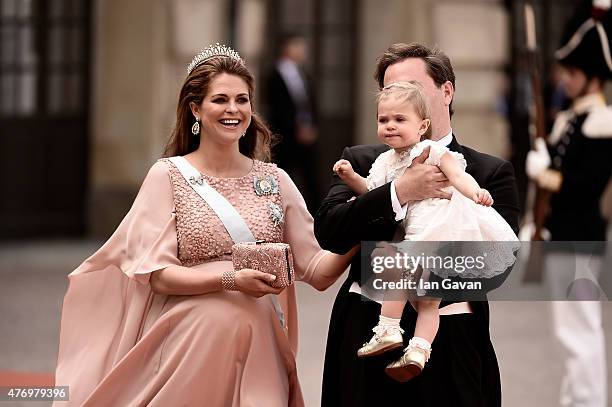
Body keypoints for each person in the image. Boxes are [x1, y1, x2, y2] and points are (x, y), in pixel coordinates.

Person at [53, 43, 356, 407]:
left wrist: (364, 226)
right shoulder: (167, 176)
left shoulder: (276, 181)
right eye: (220, 100)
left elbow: (318, 272)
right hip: (190, 348)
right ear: (195, 108)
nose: (233, 110)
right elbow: (159, 274)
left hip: (260, 347)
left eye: (242, 100)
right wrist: (229, 280)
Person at [315, 42, 520, 406]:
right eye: (390, 91)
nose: (400, 97)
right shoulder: (362, 160)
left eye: (412, 86)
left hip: (450, 335)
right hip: (366, 325)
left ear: (446, 91)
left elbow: (496, 267)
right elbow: (330, 230)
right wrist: (399, 192)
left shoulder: (490, 171)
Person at [526, 1, 612, 405]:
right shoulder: (570, 119)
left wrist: (544, 174)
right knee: (569, 333)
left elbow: (587, 184)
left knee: (581, 331)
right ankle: (576, 399)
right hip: (563, 236)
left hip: (580, 239)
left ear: (591, 76)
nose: (565, 78)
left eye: (572, 72)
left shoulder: (601, 121)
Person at [265, 32, 319, 211]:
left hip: (305, 132)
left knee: (311, 176)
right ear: (286, 48)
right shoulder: (274, 73)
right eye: (297, 46)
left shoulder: (302, 73)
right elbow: (277, 107)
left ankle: (315, 213)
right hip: (285, 134)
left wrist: (310, 126)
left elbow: (307, 103)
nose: (302, 50)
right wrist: (294, 128)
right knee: (283, 173)